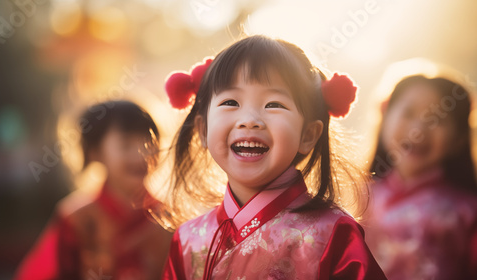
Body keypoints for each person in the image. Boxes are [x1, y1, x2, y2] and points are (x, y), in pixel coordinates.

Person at [160, 35, 386, 280]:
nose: (249, 120)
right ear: (202, 130)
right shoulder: (187, 241)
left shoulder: (333, 234)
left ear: (308, 135)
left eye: (273, 104)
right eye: (230, 101)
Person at [14, 100, 173, 280]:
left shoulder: (168, 218)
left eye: (148, 143)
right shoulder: (76, 219)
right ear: (95, 153)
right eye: (126, 145)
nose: (141, 155)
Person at [365, 73, 477, 279]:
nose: (418, 130)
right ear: (385, 116)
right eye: (408, 113)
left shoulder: (468, 212)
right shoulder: (356, 196)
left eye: (438, 119)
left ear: (459, 138)